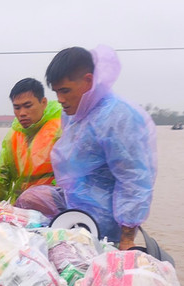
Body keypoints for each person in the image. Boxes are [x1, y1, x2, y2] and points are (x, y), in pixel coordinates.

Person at [46, 45, 157, 250]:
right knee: (31, 199)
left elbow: (134, 180)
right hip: (77, 218)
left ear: (88, 81)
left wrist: (126, 241)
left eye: (65, 91)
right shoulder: (73, 115)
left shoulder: (118, 116)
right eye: (56, 92)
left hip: (106, 229)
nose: (60, 100)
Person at [0, 78, 63, 220]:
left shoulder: (61, 130)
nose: (22, 113)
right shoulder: (13, 136)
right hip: (20, 211)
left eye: (27, 106)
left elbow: (73, 178)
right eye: (17, 108)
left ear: (43, 103)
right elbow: (1, 176)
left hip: (55, 210)